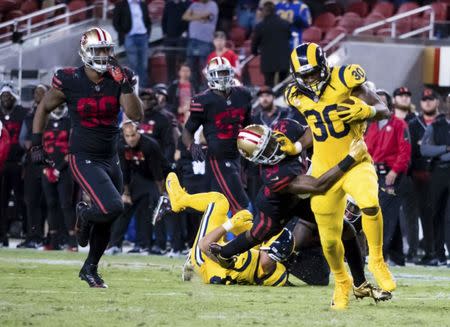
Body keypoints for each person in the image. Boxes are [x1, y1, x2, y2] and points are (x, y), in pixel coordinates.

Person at [283, 42, 395, 309]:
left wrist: (366, 111)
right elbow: (316, 123)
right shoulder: (295, 94)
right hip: (323, 167)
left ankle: (377, 259)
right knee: (330, 240)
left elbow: (384, 109)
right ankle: (343, 282)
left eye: (313, 72)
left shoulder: (346, 77)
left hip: (356, 159)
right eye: (304, 75)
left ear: (323, 66)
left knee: (369, 201)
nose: (309, 79)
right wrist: (298, 146)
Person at [31, 27, 143, 288]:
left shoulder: (120, 77)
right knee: (112, 206)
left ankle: (89, 268)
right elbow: (44, 107)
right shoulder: (69, 79)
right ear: (85, 52)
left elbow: (135, 115)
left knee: (110, 212)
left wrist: (124, 84)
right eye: (98, 50)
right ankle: (85, 214)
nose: (104, 56)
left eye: (107, 50)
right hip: (83, 155)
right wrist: (37, 143)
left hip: (110, 156)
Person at [182, 56, 252, 214]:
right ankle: (250, 237)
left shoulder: (243, 94)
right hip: (218, 156)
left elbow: (249, 123)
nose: (222, 77)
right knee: (241, 203)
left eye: (224, 73)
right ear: (210, 76)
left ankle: (221, 237)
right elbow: (187, 130)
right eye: (218, 73)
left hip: (240, 154)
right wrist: (191, 145)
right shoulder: (203, 101)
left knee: (220, 203)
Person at [365, 89, 411, 266]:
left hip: (392, 175)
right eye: (377, 100)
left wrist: (395, 171)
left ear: (389, 104)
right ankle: (398, 256)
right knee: (390, 214)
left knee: (384, 213)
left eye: (383, 101)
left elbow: (405, 151)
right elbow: (367, 150)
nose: (380, 103)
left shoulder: (399, 124)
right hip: (374, 174)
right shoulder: (371, 125)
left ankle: (379, 256)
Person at [108, 121, 165, 254]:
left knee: (159, 207)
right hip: (139, 177)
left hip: (158, 178)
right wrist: (126, 193)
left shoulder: (150, 145)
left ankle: (160, 245)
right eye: (127, 136)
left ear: (139, 132)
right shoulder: (121, 145)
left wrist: (162, 193)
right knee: (125, 206)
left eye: (133, 135)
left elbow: (158, 172)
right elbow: (125, 170)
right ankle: (115, 244)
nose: (130, 139)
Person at [407, 88, 440, 265]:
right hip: (419, 176)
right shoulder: (414, 123)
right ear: (421, 103)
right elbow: (412, 151)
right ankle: (428, 251)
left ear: (437, 102)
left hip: (441, 175)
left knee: (441, 215)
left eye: (431, 99)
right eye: (425, 99)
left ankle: (438, 252)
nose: (427, 102)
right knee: (423, 215)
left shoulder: (443, 122)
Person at [41, 103, 77, 251]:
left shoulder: (69, 122)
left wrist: (58, 169)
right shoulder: (44, 122)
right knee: (51, 204)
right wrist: (45, 167)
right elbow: (38, 147)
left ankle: (72, 242)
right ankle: (53, 241)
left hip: (65, 170)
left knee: (66, 205)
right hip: (47, 169)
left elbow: (72, 149)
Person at [17, 84, 49, 249]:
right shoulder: (29, 115)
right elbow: (22, 138)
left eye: (41, 92)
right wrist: (26, 144)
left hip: (47, 161)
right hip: (31, 161)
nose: (37, 95)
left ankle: (49, 237)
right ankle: (33, 235)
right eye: (36, 93)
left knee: (48, 200)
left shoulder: (52, 113)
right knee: (30, 199)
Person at [420, 93, 450, 268]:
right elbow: (424, 149)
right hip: (438, 172)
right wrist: (445, 148)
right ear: (444, 104)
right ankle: (439, 254)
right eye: (449, 102)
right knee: (436, 214)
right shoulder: (435, 126)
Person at [0, 84, 28, 247]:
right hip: (2, 164)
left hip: (18, 163)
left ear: (14, 97)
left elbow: (25, 138)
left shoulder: (22, 113)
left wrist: (23, 159)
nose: (6, 98)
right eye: (3, 95)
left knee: (22, 199)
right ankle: (2, 235)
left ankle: (26, 232)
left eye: (9, 95)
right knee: (2, 201)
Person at [113, 0, 151, 87]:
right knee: (133, 63)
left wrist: (148, 33)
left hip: (143, 37)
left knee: (144, 64)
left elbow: (147, 20)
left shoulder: (143, 4)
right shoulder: (121, 5)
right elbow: (115, 22)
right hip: (129, 37)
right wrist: (124, 33)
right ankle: (135, 87)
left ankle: (143, 87)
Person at [252, 2, 291, 87]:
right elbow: (289, 36)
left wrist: (255, 52)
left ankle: (270, 99)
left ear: (265, 11)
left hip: (268, 61)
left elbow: (254, 44)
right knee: (283, 86)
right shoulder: (285, 23)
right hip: (283, 60)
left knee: (269, 86)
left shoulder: (260, 26)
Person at [182, 0, 218, 91]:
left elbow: (207, 16)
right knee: (191, 68)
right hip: (192, 40)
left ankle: (208, 90)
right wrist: (200, 17)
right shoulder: (194, 4)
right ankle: (194, 90)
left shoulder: (212, 5)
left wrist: (193, 16)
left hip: (205, 41)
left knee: (206, 69)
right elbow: (185, 17)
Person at [138, 88, 176, 163]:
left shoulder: (162, 119)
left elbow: (169, 145)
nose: (146, 101)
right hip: (137, 160)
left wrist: (165, 163)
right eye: (143, 99)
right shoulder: (133, 117)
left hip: (155, 160)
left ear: (155, 101)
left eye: (149, 99)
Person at [162, 0, 191, 83]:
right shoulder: (168, 4)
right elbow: (164, 19)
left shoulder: (186, 4)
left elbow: (188, 20)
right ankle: (171, 81)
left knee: (182, 60)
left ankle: (182, 80)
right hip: (169, 37)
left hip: (182, 37)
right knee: (170, 60)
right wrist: (164, 33)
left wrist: (185, 32)